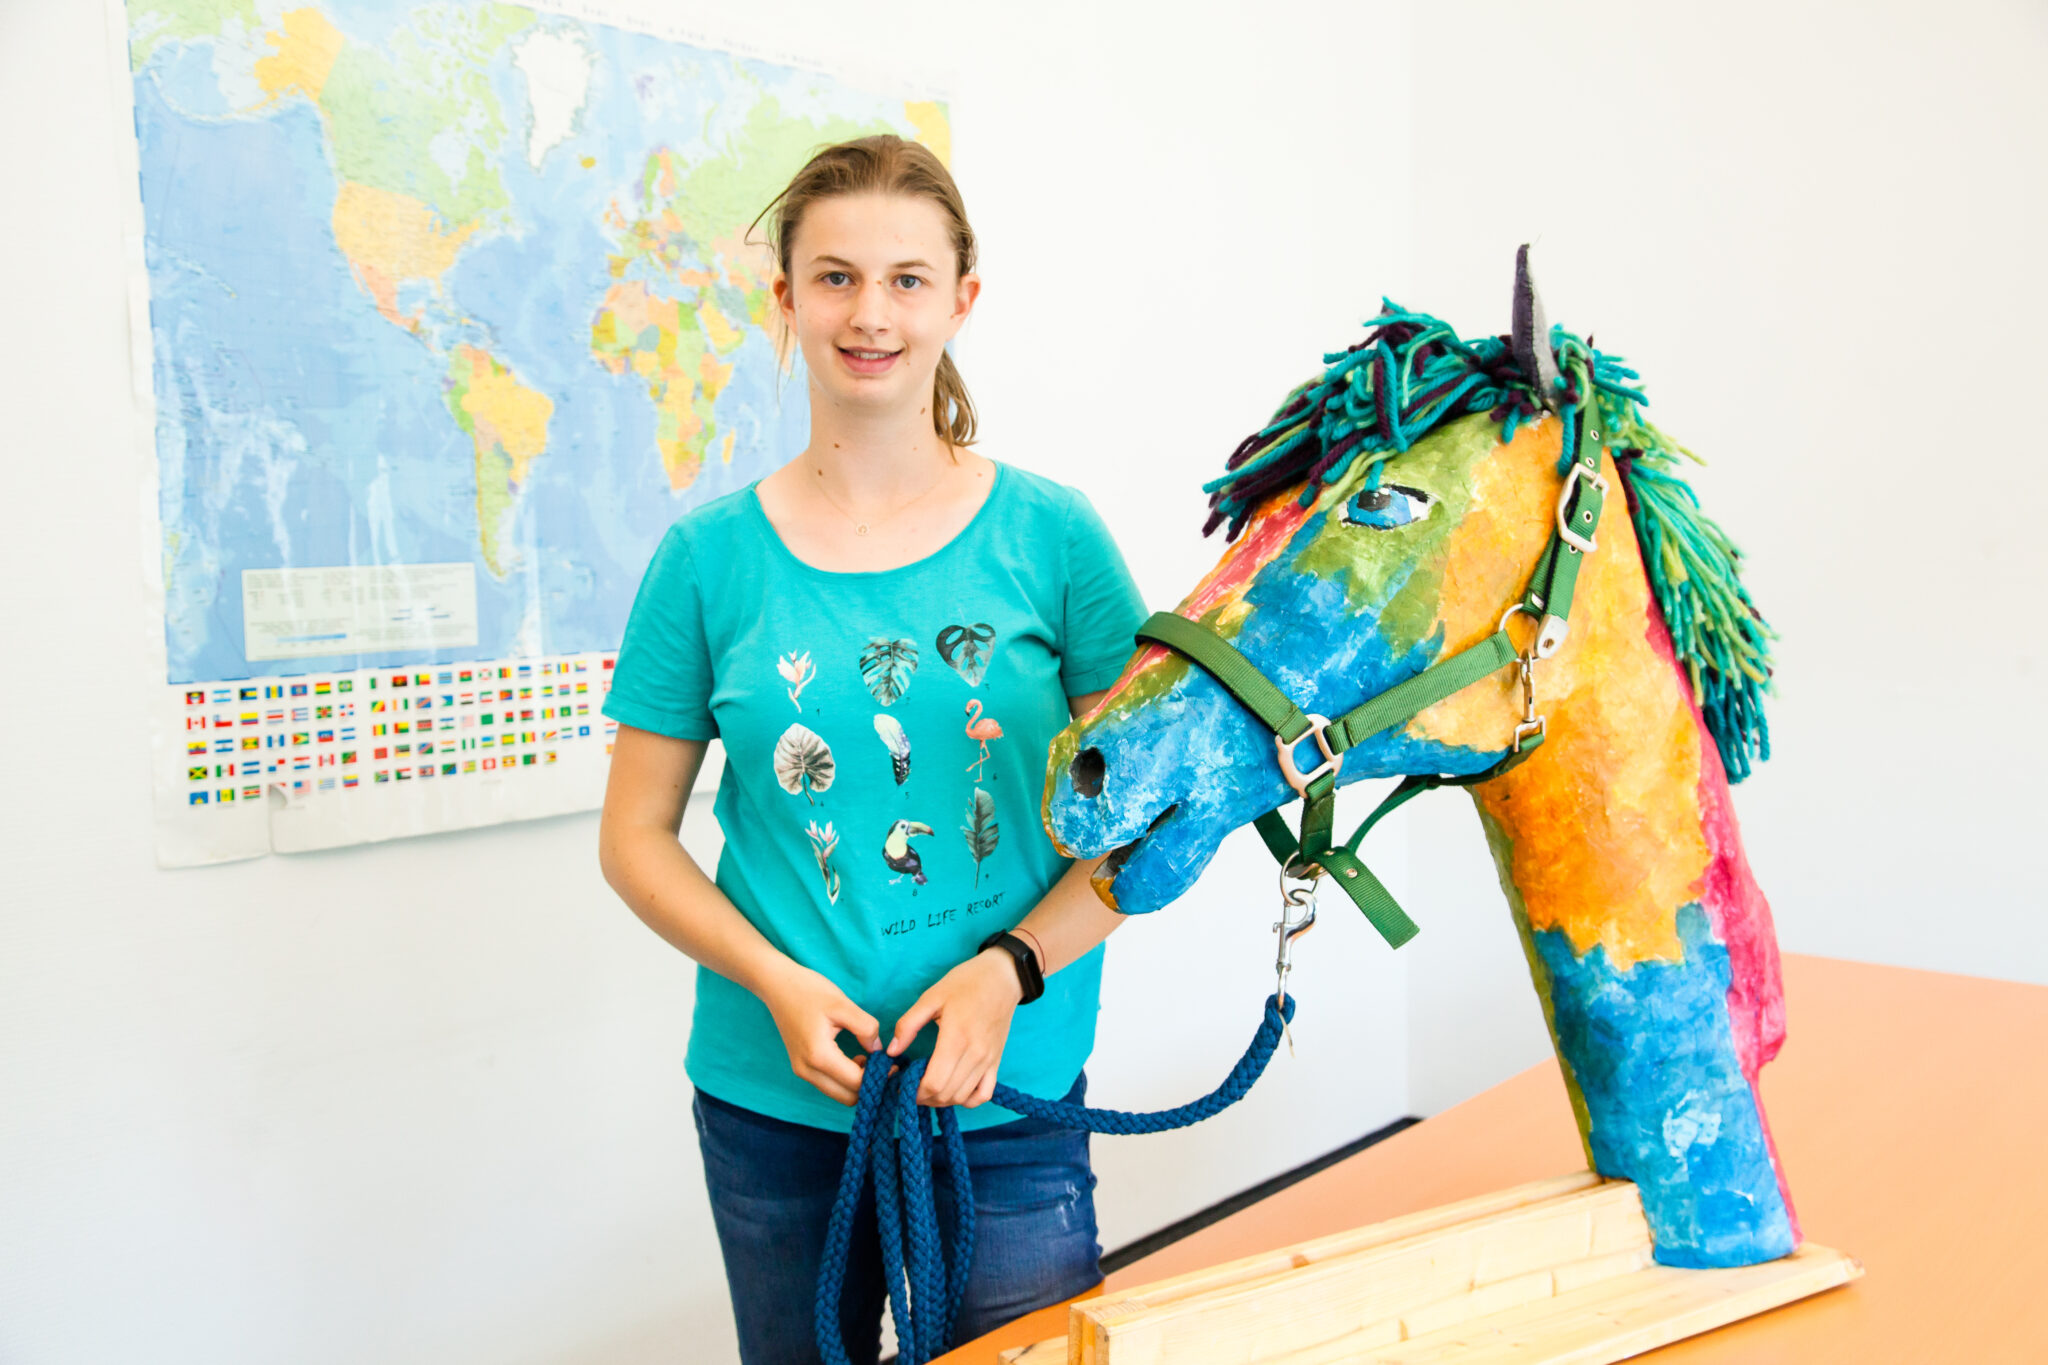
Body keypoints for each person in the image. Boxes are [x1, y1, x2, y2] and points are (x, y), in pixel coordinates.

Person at [597, 133, 1149, 1365]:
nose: (870, 314)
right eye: (835, 278)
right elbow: (633, 838)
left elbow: (1149, 819)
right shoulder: (705, 560)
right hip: (774, 1103)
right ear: (785, 298)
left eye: (906, 279)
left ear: (961, 298)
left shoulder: (1053, 537)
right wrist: (775, 983)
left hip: (1007, 1096)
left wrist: (1010, 969)